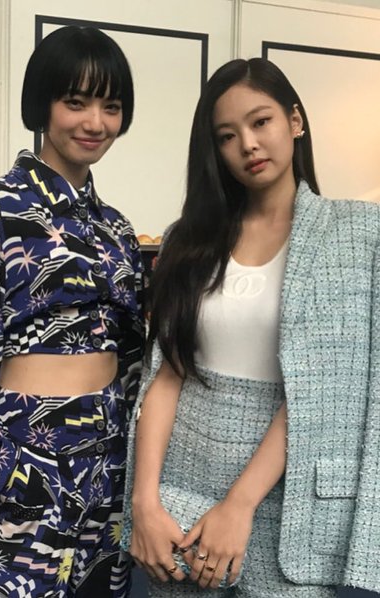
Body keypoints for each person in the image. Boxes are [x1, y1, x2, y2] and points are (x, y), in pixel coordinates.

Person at [121, 57, 380, 597]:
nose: (248, 144)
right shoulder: (187, 240)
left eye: (261, 122)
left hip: (291, 502)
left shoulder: (357, 235)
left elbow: (322, 388)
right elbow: (166, 376)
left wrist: (238, 505)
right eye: (227, 135)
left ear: (295, 121)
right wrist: (143, 504)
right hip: (182, 488)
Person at [0, 26, 144, 598]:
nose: (95, 123)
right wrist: (1, 472)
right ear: (42, 105)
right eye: (76, 102)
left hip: (107, 468)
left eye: (111, 107)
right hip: (27, 470)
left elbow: (134, 352)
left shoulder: (117, 229)